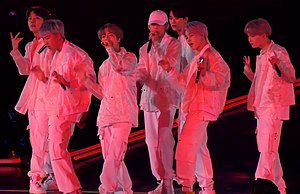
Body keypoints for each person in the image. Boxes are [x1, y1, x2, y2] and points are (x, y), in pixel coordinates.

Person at [159, 21, 230, 194]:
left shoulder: (211, 55)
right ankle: (204, 187)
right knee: (196, 148)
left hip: (202, 107)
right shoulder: (198, 58)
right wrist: (169, 70)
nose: (188, 39)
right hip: (194, 107)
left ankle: (187, 186)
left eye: (191, 36)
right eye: (186, 36)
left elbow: (221, 80)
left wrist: (205, 74)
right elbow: (184, 83)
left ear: (203, 35)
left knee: (187, 147)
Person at [76, 23, 139, 194]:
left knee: (115, 155)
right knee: (111, 157)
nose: (106, 39)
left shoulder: (131, 57)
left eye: (110, 35)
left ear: (118, 38)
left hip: (124, 113)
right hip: (106, 115)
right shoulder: (103, 66)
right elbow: (102, 93)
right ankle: (124, 188)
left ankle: (106, 188)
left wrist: (111, 50)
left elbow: (120, 67)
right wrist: (86, 82)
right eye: (103, 37)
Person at [37, 19, 95, 194]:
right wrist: (44, 79)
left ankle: (71, 189)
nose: (45, 42)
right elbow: (55, 84)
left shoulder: (76, 54)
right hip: (56, 108)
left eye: (47, 38)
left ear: (58, 35)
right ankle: (70, 188)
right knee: (56, 150)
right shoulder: (56, 54)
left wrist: (68, 83)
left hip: (67, 108)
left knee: (56, 149)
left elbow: (88, 82)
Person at [243, 18, 296, 194]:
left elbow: (290, 77)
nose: (249, 39)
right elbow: (263, 84)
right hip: (262, 109)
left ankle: (261, 184)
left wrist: (278, 64)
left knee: (268, 149)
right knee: (267, 149)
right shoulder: (263, 55)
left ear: (263, 34)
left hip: (274, 108)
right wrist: (250, 74)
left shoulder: (278, 52)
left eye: (252, 35)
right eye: (248, 36)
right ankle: (280, 186)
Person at [9, 6, 58, 193]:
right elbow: (25, 71)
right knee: (37, 139)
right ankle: (37, 178)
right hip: (35, 96)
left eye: (37, 18)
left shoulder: (52, 43)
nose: (32, 21)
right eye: (30, 18)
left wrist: (44, 78)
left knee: (51, 139)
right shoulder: (31, 45)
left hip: (50, 94)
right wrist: (15, 51)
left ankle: (50, 175)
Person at [137, 9, 181, 194]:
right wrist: (137, 81)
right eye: (152, 24)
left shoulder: (173, 44)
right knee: (150, 141)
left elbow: (168, 65)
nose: (154, 27)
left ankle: (168, 181)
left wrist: (155, 46)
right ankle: (160, 180)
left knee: (164, 140)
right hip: (149, 98)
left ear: (165, 26)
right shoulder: (143, 48)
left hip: (167, 99)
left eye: (158, 24)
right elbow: (141, 69)